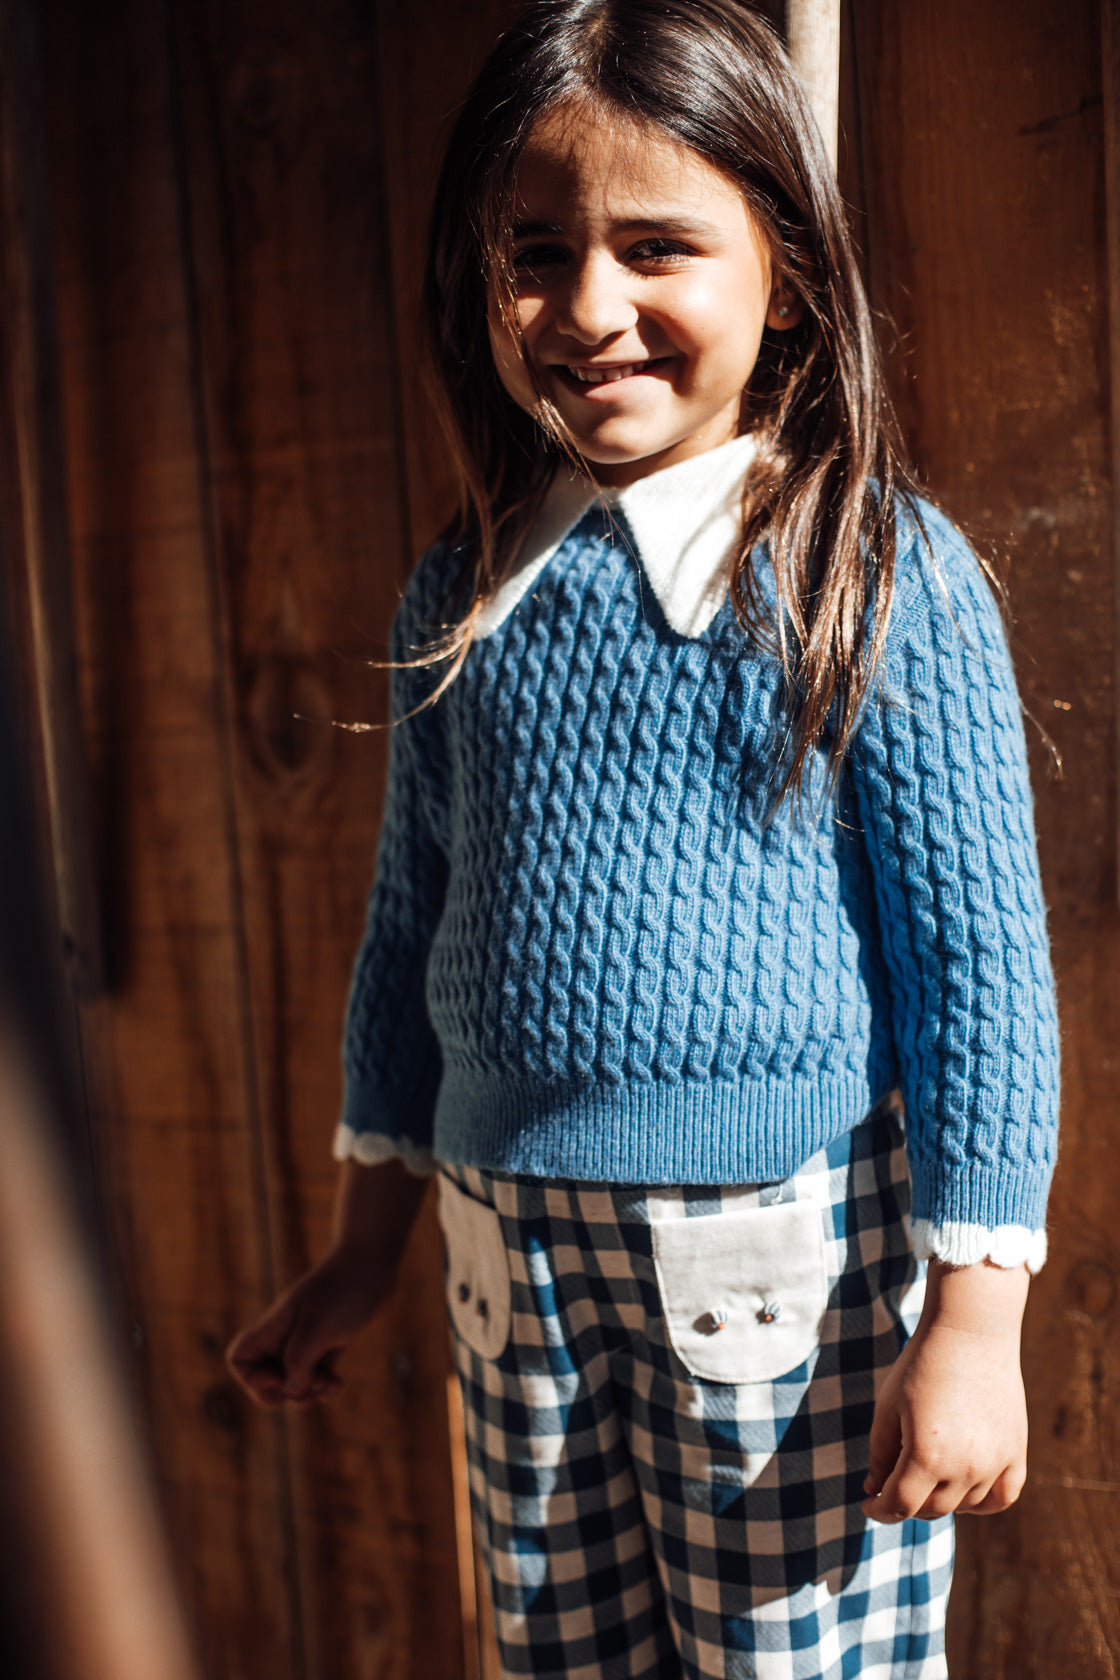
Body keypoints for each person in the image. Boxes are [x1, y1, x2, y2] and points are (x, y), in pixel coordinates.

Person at [227, 2, 1060, 1674]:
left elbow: (980, 972)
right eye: (536, 255)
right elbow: (410, 926)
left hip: (776, 1274)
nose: (590, 308)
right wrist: (362, 1246)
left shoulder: (870, 573)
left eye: (657, 247)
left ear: (788, 273)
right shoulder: (465, 589)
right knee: (558, 1655)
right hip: (505, 1257)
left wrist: (976, 1324)